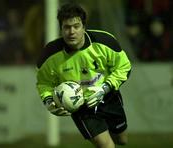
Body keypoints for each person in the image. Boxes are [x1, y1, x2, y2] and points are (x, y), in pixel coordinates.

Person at [36, 3, 131, 148]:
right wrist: (49, 101)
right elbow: (44, 83)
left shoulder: (104, 42)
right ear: (61, 29)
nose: (71, 32)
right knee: (107, 146)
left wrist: (104, 88)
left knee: (122, 140)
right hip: (81, 107)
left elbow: (124, 67)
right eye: (66, 27)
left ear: (84, 27)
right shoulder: (49, 55)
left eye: (76, 26)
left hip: (109, 97)